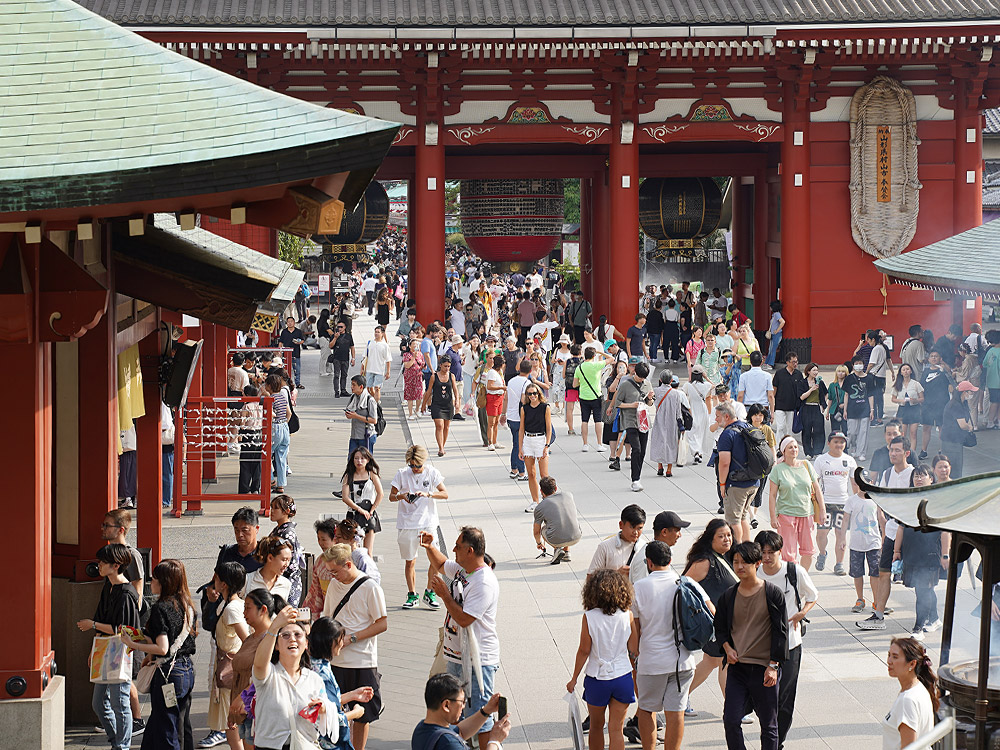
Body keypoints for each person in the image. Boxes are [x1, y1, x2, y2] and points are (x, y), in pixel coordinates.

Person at [419, 527, 501, 750]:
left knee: (481, 716)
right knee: (456, 712)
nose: (453, 549)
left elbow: (465, 619)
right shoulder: (464, 570)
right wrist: (429, 547)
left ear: (470, 550)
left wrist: (445, 596)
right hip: (457, 656)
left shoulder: (483, 582)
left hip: (478, 661)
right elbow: (441, 563)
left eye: (458, 546)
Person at [628, 541, 709, 750]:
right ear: (671, 560)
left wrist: (634, 656)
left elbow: (634, 628)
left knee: (646, 710)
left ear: (649, 562)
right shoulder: (686, 583)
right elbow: (712, 612)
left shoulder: (639, 588)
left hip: (651, 662)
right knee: (677, 713)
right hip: (683, 661)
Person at [714, 542, 788, 750]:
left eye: (744, 562)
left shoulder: (772, 594)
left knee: (769, 725)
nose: (739, 567)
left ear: (757, 564)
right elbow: (719, 628)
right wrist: (727, 648)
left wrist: (773, 665)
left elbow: (781, 632)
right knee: (730, 720)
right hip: (738, 669)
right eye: (735, 562)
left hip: (765, 669)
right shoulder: (729, 596)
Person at [120, 558, 198, 750]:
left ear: (164, 582)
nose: (150, 582)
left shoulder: (160, 608)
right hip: (186, 670)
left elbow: (162, 648)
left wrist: (132, 644)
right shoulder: (187, 605)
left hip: (169, 675)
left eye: (154, 579)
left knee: (166, 727)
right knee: (177, 722)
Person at [320, 544, 389, 750]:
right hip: (335, 659)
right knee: (332, 709)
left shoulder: (371, 588)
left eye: (335, 571)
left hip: (362, 660)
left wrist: (351, 639)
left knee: (363, 715)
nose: (332, 576)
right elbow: (328, 616)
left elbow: (382, 623)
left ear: (348, 564)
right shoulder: (334, 585)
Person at [755, 531, 818, 749]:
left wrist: (802, 613)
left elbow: (812, 595)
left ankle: (776, 742)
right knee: (764, 698)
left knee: (784, 698)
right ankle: (771, 737)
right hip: (761, 645)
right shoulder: (755, 574)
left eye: (771, 552)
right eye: (762, 552)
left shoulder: (794, 571)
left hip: (791, 644)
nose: (766, 557)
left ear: (780, 551)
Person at [77, 544, 141, 750]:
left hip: (120, 652)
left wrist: (93, 625)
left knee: (120, 703)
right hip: (104, 651)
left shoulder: (127, 593)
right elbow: (102, 617)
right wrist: (93, 650)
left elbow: (125, 630)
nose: (99, 566)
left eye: (103, 562)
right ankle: (116, 741)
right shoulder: (109, 586)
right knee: (99, 704)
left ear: (116, 565)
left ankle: (122, 745)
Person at [566, 569, 635, 750]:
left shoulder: (589, 617)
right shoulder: (627, 615)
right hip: (623, 676)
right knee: (616, 729)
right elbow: (634, 649)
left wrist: (573, 678)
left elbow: (584, 650)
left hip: (597, 677)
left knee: (596, 726)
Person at [251, 607, 338, 750]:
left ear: (306, 644)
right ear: (276, 645)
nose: (292, 638)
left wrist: (323, 708)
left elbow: (326, 708)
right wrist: (275, 626)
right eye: (285, 635)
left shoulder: (314, 679)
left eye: (298, 635)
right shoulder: (268, 674)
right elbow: (259, 664)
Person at [858, 436, 914, 631]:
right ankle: (878, 615)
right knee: (884, 573)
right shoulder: (887, 474)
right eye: (891, 450)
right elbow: (881, 501)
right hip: (891, 531)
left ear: (907, 453)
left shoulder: (914, 474)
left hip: (910, 533)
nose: (893, 453)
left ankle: (926, 617)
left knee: (920, 577)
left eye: (898, 450)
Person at [684, 520, 738, 704]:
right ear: (711, 539)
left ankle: (681, 697)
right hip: (716, 624)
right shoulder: (705, 561)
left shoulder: (729, 557)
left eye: (729, 535)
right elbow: (684, 585)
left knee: (711, 662)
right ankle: (733, 708)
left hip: (729, 623)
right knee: (725, 662)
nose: (726, 539)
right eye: (721, 536)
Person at [389, 444, 449, 610]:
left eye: (418, 465)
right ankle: (412, 594)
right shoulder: (401, 474)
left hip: (427, 522)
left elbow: (445, 493)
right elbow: (391, 497)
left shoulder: (432, 472)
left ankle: (429, 592)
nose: (415, 468)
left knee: (435, 560)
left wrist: (428, 494)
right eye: (412, 465)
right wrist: (401, 496)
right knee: (410, 561)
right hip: (407, 523)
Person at [199, 562, 249, 750]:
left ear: (224, 584)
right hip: (226, 668)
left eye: (216, 578)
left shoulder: (231, 608)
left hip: (230, 671)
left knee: (232, 723)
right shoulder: (228, 604)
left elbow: (247, 640)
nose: (214, 581)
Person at [227, 588, 285, 750]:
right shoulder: (252, 637)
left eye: (248, 607)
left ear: (263, 610)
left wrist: (241, 698)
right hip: (244, 710)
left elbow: (270, 674)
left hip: (257, 709)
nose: (244, 612)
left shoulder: (270, 640)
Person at [896, 465, 948, 639]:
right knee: (924, 589)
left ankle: (918, 628)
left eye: (922, 475)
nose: (918, 479)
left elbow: (945, 530)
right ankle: (933, 618)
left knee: (922, 590)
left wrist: (945, 554)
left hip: (930, 553)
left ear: (931, 479)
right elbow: (901, 526)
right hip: (912, 553)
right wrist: (897, 550)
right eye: (916, 476)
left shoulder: (937, 500)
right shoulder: (909, 499)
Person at [308, 617, 376, 747]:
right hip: (328, 742)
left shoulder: (313, 665)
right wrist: (356, 713)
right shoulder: (323, 673)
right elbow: (328, 715)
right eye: (339, 639)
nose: (342, 643)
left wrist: (353, 695)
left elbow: (327, 703)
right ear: (330, 643)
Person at [411, 673, 510, 750]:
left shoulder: (421, 729)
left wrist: (486, 710)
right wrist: (495, 741)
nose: (463, 706)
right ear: (446, 705)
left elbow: (461, 731)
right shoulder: (449, 744)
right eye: (462, 702)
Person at [768, 437, 825, 570]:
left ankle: (803, 577)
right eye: (790, 447)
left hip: (806, 513)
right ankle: (791, 580)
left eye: (795, 447)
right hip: (786, 515)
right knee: (788, 554)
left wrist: (822, 510)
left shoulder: (806, 465)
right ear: (783, 451)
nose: (794, 450)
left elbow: (817, 489)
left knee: (809, 551)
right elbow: (772, 495)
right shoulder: (778, 469)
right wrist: (772, 516)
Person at [809, 431, 858, 575]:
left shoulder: (849, 460)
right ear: (829, 443)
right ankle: (822, 553)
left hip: (843, 504)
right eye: (835, 442)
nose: (839, 445)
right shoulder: (821, 460)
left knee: (841, 535)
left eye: (842, 442)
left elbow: (854, 483)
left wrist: (857, 502)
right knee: (822, 533)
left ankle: (839, 564)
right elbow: (814, 483)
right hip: (825, 504)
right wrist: (815, 502)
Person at [715, 402, 761, 544]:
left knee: (733, 521)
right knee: (743, 517)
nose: (716, 419)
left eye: (717, 416)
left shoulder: (727, 434)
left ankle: (738, 550)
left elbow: (724, 463)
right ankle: (748, 549)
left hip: (736, 484)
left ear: (726, 416)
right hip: (753, 482)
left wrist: (722, 484)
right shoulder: (748, 427)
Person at [883, 637, 938, 749]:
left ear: (912, 664)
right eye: (889, 655)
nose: (889, 661)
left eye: (895, 657)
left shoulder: (907, 700)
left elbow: (909, 747)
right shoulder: (919, 688)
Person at [611, 361, 654, 491]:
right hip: (630, 420)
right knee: (637, 449)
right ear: (635, 372)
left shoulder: (647, 384)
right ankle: (635, 480)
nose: (642, 380)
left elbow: (650, 403)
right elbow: (617, 403)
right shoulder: (625, 385)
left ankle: (638, 476)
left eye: (644, 377)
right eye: (640, 377)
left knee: (643, 451)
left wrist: (650, 398)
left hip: (643, 421)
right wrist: (632, 405)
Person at [340, 446, 384, 556]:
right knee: (353, 549)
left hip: (369, 515)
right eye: (356, 458)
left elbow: (380, 494)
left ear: (368, 460)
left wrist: (372, 509)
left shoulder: (372, 475)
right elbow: (345, 497)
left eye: (362, 458)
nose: (359, 461)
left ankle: (367, 572)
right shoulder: (348, 476)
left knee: (368, 551)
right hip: (353, 514)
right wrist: (359, 509)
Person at [588, 504, 647, 585]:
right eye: (632, 527)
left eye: (639, 528)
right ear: (621, 525)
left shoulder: (645, 548)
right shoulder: (605, 547)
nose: (635, 532)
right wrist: (616, 575)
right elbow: (590, 579)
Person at [519, 381, 553, 512]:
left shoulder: (545, 407)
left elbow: (548, 428)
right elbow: (521, 429)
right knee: (531, 473)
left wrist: (546, 445)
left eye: (534, 393)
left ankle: (548, 500)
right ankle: (535, 501)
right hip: (528, 440)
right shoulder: (524, 408)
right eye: (529, 394)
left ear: (539, 394)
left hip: (540, 439)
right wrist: (520, 447)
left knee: (544, 474)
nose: (532, 396)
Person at [533, 475, 583, 564]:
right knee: (565, 519)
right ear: (556, 488)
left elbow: (536, 531)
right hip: (576, 536)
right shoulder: (568, 495)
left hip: (556, 539)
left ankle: (558, 549)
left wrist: (539, 543)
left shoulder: (540, 507)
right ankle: (567, 552)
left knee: (544, 528)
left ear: (541, 491)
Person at [918, 350, 954, 460]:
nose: (934, 358)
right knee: (926, 427)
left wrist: (944, 367)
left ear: (940, 358)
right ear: (928, 359)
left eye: (936, 356)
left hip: (942, 403)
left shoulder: (943, 371)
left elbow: (952, 380)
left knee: (941, 427)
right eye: (932, 356)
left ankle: (942, 449)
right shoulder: (925, 372)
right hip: (928, 404)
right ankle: (924, 450)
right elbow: (921, 387)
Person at [649, 371, 686, 477]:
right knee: (671, 443)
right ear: (671, 381)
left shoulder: (656, 391)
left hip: (659, 419)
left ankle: (659, 466)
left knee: (659, 442)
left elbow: (652, 403)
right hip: (672, 421)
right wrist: (681, 425)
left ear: (660, 380)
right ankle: (669, 469)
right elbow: (678, 411)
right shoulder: (675, 393)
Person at [421, 359, 461, 457]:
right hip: (437, 404)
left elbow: (455, 390)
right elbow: (429, 391)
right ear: (440, 365)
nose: (447, 368)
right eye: (445, 366)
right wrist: (423, 404)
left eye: (448, 366)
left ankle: (442, 446)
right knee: (439, 425)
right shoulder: (434, 376)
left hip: (448, 404)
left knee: (446, 427)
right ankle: (441, 448)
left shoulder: (451, 376)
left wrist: (457, 401)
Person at [940, 381, 977, 478]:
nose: (972, 394)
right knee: (954, 469)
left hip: (955, 440)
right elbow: (963, 425)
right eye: (971, 392)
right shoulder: (956, 405)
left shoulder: (962, 403)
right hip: (951, 441)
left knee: (955, 466)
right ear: (964, 392)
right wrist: (970, 427)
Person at [504, 359, 533, 480]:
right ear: (530, 371)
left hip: (510, 416)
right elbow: (523, 400)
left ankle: (514, 469)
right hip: (520, 416)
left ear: (519, 368)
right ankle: (521, 472)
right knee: (520, 445)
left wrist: (502, 414)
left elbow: (506, 398)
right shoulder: (527, 382)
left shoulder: (511, 381)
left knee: (515, 443)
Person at [575, 347, 607, 453]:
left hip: (584, 396)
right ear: (594, 356)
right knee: (598, 420)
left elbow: (575, 384)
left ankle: (585, 444)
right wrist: (600, 352)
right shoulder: (596, 365)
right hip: (596, 395)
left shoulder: (579, 368)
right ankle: (599, 444)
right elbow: (611, 359)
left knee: (584, 420)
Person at [263, 374, 290, 494]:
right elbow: (289, 413)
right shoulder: (283, 397)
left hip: (275, 428)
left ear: (269, 386)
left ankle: (271, 480)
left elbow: (270, 414)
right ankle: (281, 485)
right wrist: (283, 423)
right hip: (284, 427)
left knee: (267, 454)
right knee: (281, 457)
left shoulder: (271, 399)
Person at [844, 356, 875, 461]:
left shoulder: (869, 378)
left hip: (865, 408)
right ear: (853, 365)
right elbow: (846, 395)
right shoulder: (849, 378)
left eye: (860, 363)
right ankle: (853, 447)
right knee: (852, 432)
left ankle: (861, 452)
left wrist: (872, 410)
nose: (858, 365)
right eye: (856, 363)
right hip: (852, 409)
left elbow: (871, 395)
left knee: (863, 432)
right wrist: (845, 410)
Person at [243, 536, 293, 601]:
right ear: (270, 558)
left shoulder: (286, 584)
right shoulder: (247, 580)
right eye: (284, 559)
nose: (287, 564)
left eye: (289, 560)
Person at [683, 366, 714, 464]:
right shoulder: (706, 385)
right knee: (701, 433)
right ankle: (699, 453)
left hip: (692, 409)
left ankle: (696, 452)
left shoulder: (688, 385)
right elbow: (715, 386)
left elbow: (682, 395)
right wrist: (706, 377)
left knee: (691, 432)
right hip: (703, 409)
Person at [771, 354, 804, 441]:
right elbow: (774, 389)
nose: (795, 364)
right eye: (793, 362)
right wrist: (772, 403)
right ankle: (779, 447)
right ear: (787, 362)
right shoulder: (779, 373)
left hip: (792, 406)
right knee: (780, 427)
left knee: (790, 429)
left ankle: (789, 444)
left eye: (796, 362)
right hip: (780, 405)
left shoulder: (799, 374)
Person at [797, 363, 827, 458]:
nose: (816, 372)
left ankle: (818, 451)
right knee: (807, 430)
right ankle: (808, 452)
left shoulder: (820, 382)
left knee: (819, 430)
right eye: (813, 370)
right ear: (808, 371)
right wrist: (811, 390)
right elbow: (801, 397)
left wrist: (823, 404)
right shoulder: (802, 382)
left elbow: (826, 394)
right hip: (806, 407)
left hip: (816, 407)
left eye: (817, 370)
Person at [891, 363, 925, 449]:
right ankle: (903, 452)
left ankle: (912, 453)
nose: (906, 371)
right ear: (901, 373)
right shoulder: (898, 385)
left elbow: (922, 398)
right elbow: (893, 399)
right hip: (902, 409)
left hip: (914, 409)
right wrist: (901, 400)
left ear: (911, 371)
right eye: (904, 370)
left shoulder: (916, 384)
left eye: (907, 369)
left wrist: (915, 400)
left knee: (913, 433)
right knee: (902, 433)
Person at [345, 374, 379, 456]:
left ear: (361, 387)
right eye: (351, 384)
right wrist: (349, 414)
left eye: (354, 385)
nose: (351, 387)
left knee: (365, 461)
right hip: (354, 435)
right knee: (351, 460)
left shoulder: (369, 400)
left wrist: (356, 416)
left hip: (366, 436)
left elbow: (374, 420)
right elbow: (350, 411)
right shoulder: (353, 397)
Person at [866, 330, 893, 425]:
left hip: (875, 376)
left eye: (869, 340)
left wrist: (866, 373)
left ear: (873, 339)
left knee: (874, 398)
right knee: (879, 398)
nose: (868, 343)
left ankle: (875, 419)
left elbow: (871, 364)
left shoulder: (876, 349)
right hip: (881, 376)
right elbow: (888, 360)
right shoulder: (882, 348)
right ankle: (879, 418)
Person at [361, 325, 392, 402]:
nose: (376, 333)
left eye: (378, 332)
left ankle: (376, 403)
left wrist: (388, 372)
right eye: (375, 332)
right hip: (369, 369)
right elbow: (365, 357)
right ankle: (374, 399)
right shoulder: (370, 343)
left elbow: (388, 359)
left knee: (377, 388)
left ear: (382, 334)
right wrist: (362, 368)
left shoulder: (385, 345)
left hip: (379, 370)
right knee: (368, 388)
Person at [329, 321, 356, 398]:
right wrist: (335, 338)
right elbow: (330, 346)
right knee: (336, 375)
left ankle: (343, 390)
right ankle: (336, 391)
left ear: (345, 327)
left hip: (346, 358)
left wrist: (353, 358)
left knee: (344, 375)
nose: (339, 328)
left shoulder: (348, 336)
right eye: (338, 327)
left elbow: (352, 347)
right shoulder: (334, 335)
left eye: (341, 327)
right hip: (337, 358)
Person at [277, 316, 305, 389]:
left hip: (296, 353)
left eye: (291, 321)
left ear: (294, 323)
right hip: (286, 354)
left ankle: (297, 383)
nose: (290, 323)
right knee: (285, 370)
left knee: (297, 370)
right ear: (286, 323)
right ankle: (286, 383)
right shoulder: (284, 332)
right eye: (288, 322)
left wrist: (299, 342)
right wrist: (279, 351)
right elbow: (281, 341)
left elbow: (302, 340)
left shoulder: (298, 331)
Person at [402, 338, 426, 420]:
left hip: (418, 376)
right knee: (410, 395)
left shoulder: (420, 354)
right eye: (414, 344)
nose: (416, 346)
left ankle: (417, 410)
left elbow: (422, 364)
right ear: (410, 346)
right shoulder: (406, 355)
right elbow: (407, 365)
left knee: (419, 394)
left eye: (416, 344)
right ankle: (410, 413)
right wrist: (413, 357)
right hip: (409, 377)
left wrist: (424, 366)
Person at [764, 301, 785, 369]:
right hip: (774, 334)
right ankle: (767, 363)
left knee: (773, 349)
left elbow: (783, 321)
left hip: (776, 334)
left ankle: (770, 364)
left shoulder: (776, 314)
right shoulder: (775, 314)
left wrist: (777, 330)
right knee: (771, 349)